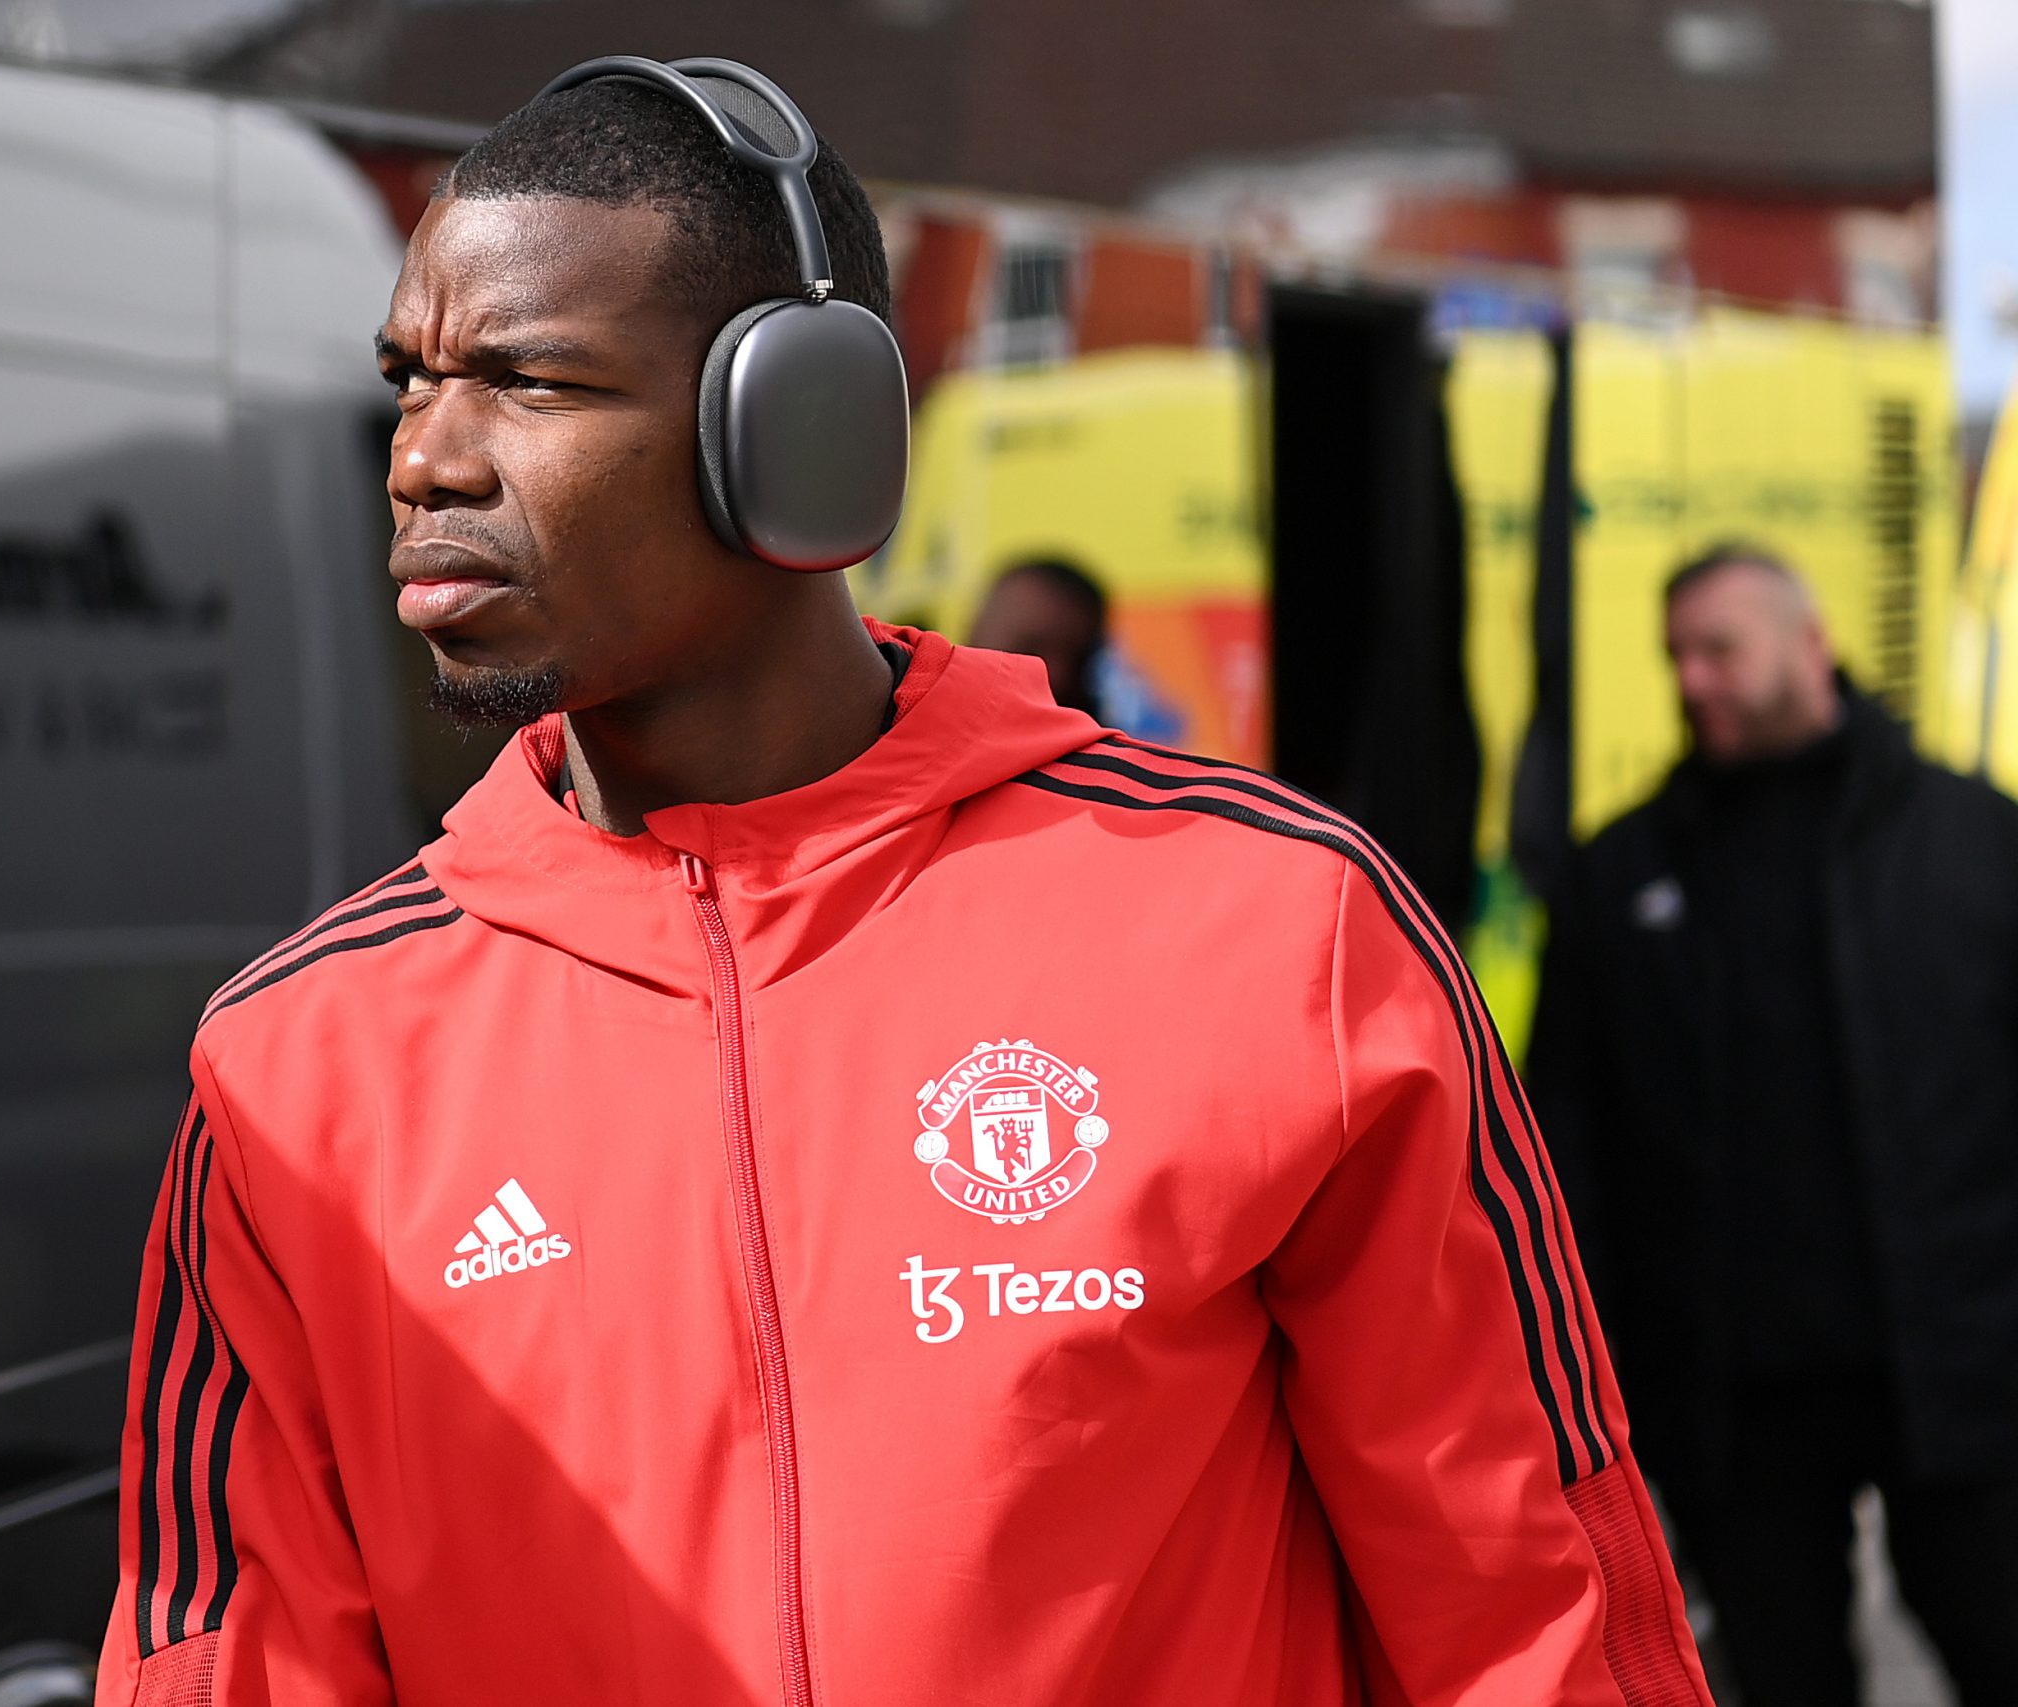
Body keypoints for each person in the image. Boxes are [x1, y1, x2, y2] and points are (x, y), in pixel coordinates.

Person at [97, 58, 1711, 1707]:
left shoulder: (1275, 931)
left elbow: (1532, 1616)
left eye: (523, 377)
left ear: (800, 430)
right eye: (411, 379)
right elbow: (231, 1665)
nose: (425, 458)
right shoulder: (298, 1067)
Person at [1530, 544, 2018, 1706]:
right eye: (1676, 659)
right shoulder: (1624, 874)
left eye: (1719, 650)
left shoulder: (1973, 842)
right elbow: (1567, 1145)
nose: (1694, 681)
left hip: (1962, 1367)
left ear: (1811, 645)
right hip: (1733, 1406)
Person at [968, 557, 1186, 739]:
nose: (1056, 674)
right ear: (976, 630)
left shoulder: (1102, 763)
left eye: (1078, 657)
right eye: (1031, 647)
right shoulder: (936, 738)